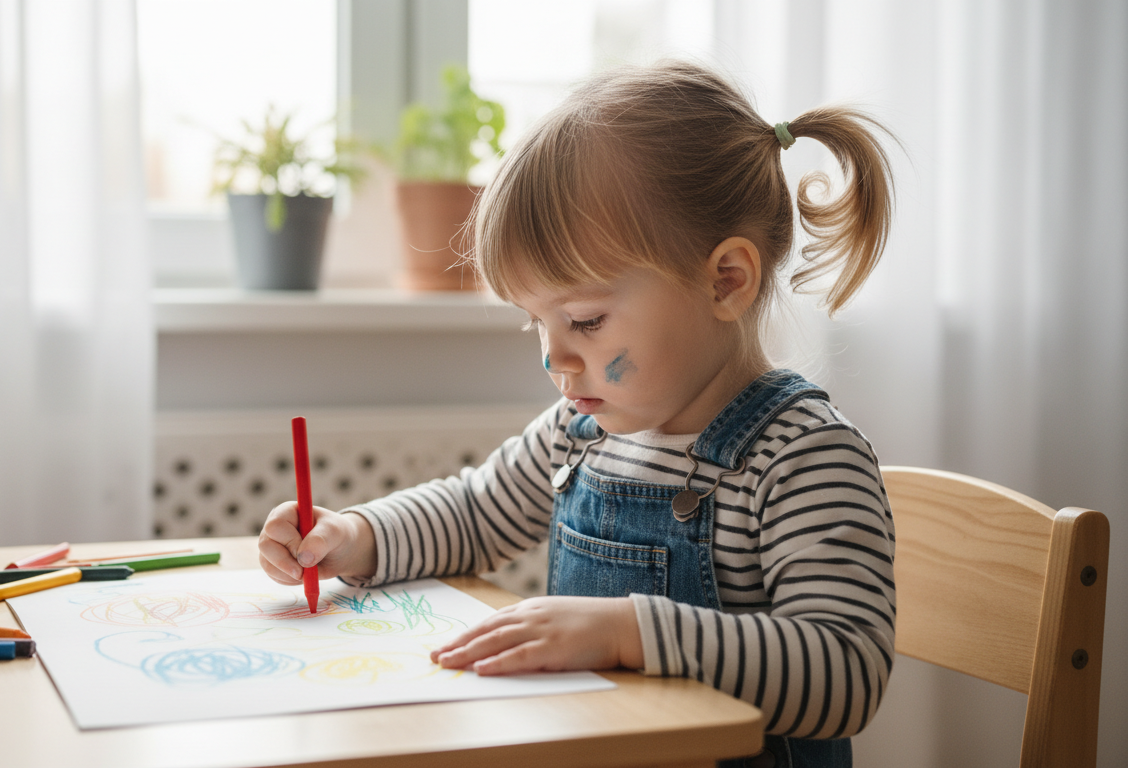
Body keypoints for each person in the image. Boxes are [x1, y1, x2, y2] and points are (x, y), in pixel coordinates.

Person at [259, 59, 896, 768]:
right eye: (536, 323)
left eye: (585, 322)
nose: (552, 359)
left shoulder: (803, 457)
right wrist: (355, 537)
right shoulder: (581, 433)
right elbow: (474, 515)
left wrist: (628, 633)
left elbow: (847, 671)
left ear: (725, 281)